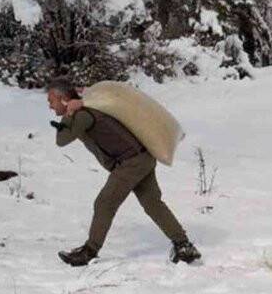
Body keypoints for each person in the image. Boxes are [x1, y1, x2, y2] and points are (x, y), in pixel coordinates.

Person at [46, 77, 201, 267]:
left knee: (104, 203)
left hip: (131, 162)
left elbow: (62, 140)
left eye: (51, 101)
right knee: (153, 204)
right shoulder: (86, 109)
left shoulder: (82, 115)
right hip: (143, 157)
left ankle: (89, 251)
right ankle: (183, 245)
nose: (50, 107)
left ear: (62, 98)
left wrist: (69, 113)